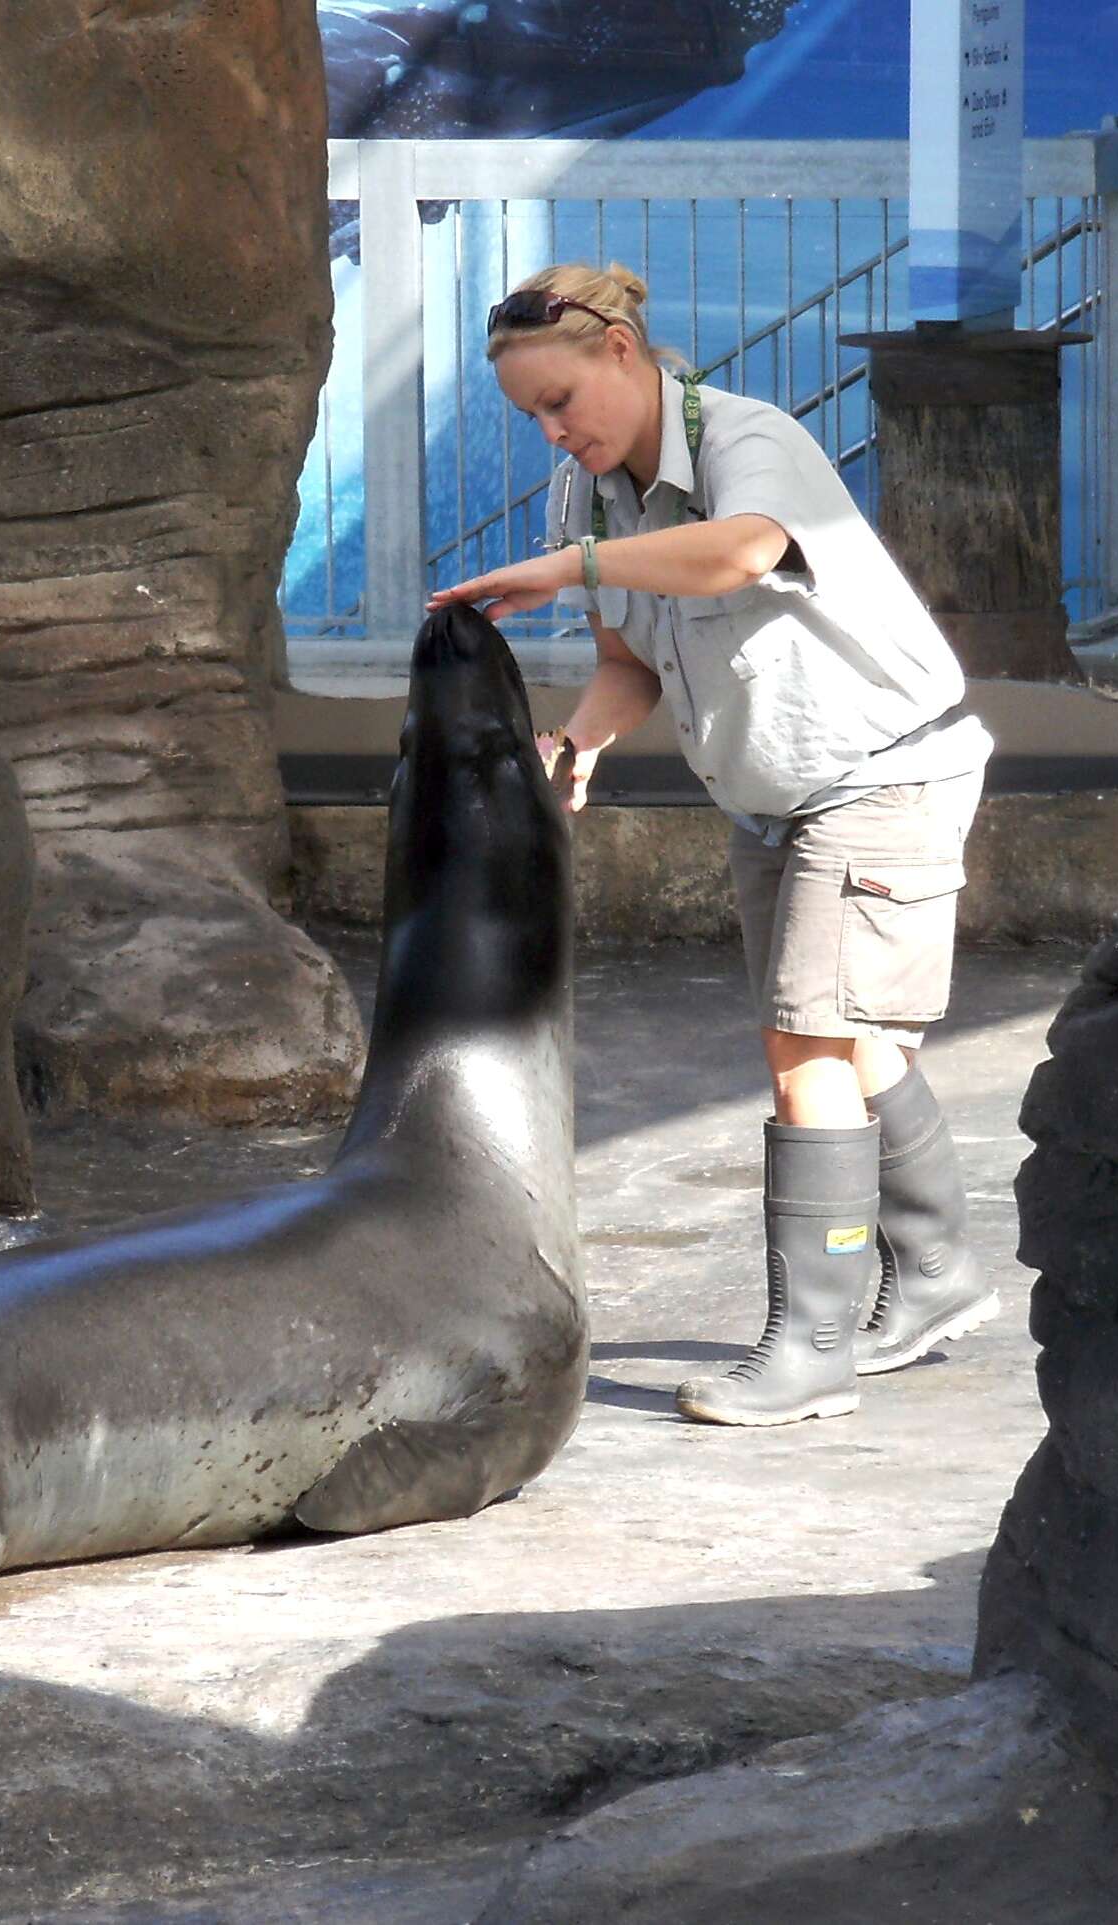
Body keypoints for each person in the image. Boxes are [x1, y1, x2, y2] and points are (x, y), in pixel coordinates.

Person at [428, 262, 1000, 1428]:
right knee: (849, 1040)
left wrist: (572, 568)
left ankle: (812, 1348)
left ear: (623, 356)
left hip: (880, 770)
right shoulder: (581, 503)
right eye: (530, 416)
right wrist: (579, 741)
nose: (553, 431)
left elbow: (739, 552)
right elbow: (631, 662)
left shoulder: (748, 439)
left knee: (807, 1049)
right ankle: (938, 1273)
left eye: (560, 402)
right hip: (769, 796)